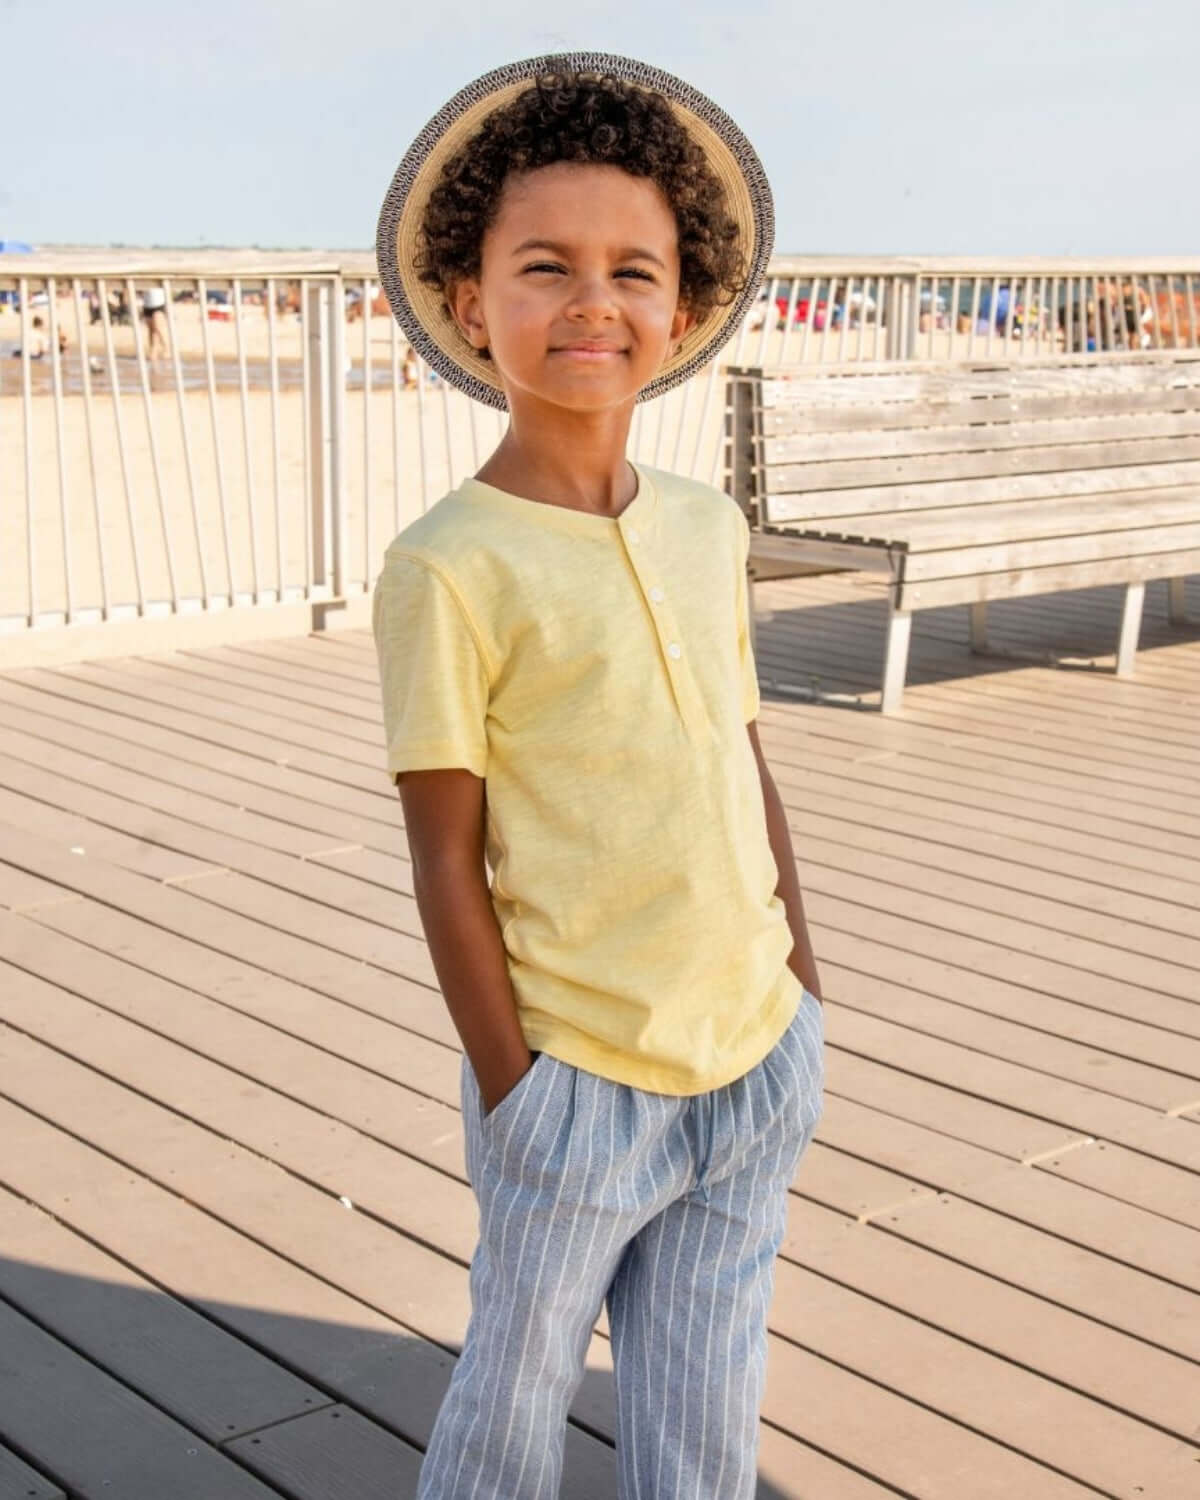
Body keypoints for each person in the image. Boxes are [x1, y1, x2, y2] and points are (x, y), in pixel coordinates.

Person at [371, 53, 825, 1499]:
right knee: (509, 1410)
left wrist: (803, 984)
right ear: (470, 301)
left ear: (679, 310)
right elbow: (447, 856)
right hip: (579, 1086)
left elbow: (741, 754)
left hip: (753, 1054)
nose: (592, 302)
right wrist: (518, 1093)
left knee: (707, 1426)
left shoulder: (702, 523)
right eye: (545, 265)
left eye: (634, 270)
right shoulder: (450, 566)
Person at [141, 284, 169, 365]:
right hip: (147, 303)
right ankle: (153, 350)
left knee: (158, 327)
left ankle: (167, 348)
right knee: (151, 330)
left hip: (159, 303)